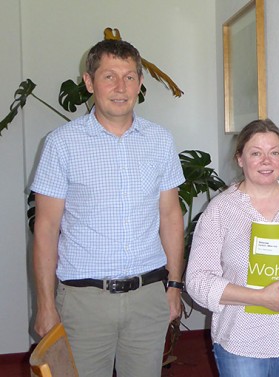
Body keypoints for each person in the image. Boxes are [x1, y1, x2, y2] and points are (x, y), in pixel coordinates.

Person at [31, 39, 185, 377]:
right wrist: (45, 304)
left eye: (130, 77)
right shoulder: (61, 144)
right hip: (84, 301)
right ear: (89, 82)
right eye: (109, 76)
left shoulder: (160, 141)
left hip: (148, 297)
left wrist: (174, 287)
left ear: (140, 83)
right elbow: (45, 227)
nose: (120, 87)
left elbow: (171, 216)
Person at [185, 119, 279, 377]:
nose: (266, 160)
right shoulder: (221, 209)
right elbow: (197, 280)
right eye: (256, 153)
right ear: (240, 159)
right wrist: (259, 298)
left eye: (274, 152)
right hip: (242, 338)